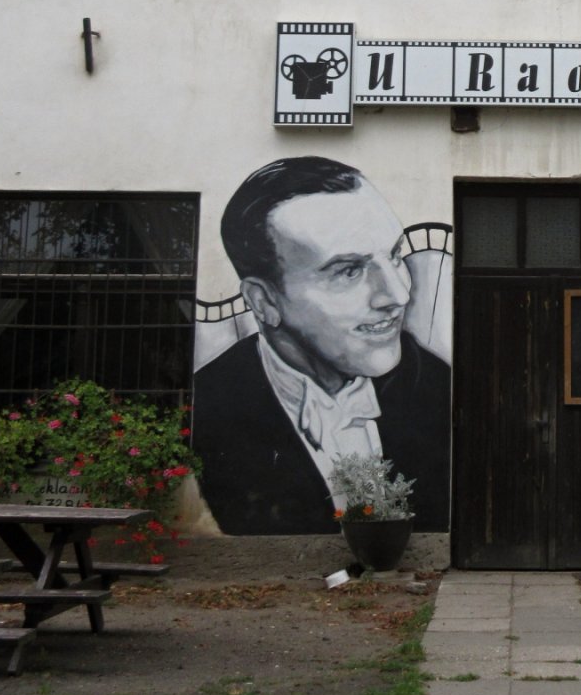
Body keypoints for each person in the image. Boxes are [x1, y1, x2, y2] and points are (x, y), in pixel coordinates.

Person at [193, 157, 451, 534]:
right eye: (349, 271)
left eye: (395, 255)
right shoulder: (209, 408)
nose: (397, 294)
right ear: (264, 302)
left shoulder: (437, 388)